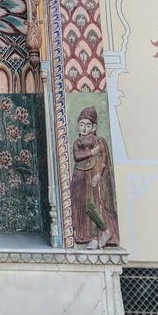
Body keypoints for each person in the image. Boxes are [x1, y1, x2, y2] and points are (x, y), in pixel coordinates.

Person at [69, 106, 119, 249]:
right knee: (81, 206)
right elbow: (77, 156)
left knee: (93, 204)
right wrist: (91, 152)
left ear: (94, 127)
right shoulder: (77, 142)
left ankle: (104, 231)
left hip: (93, 174)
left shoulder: (99, 141)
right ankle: (89, 237)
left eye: (88, 125)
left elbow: (104, 159)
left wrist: (99, 174)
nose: (84, 128)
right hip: (80, 176)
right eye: (82, 125)